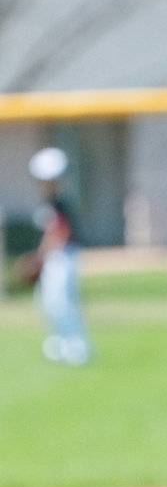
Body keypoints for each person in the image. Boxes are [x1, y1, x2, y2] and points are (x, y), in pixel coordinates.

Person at [20, 146, 91, 366]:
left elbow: (59, 234)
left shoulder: (60, 203)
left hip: (62, 257)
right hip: (55, 258)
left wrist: (39, 257)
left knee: (61, 302)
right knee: (49, 303)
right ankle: (59, 342)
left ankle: (75, 346)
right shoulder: (50, 202)